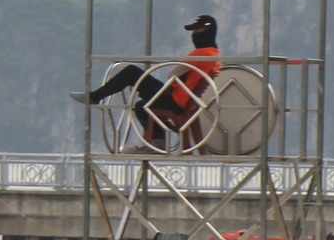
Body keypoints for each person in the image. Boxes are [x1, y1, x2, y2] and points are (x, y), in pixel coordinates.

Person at [71, 13, 221, 147]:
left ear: (208, 31)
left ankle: (95, 97)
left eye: (197, 31)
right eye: (193, 31)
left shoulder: (201, 54)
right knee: (141, 106)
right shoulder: (215, 55)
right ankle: (158, 142)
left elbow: (171, 73)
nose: (194, 34)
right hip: (186, 101)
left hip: (175, 100)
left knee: (131, 72)